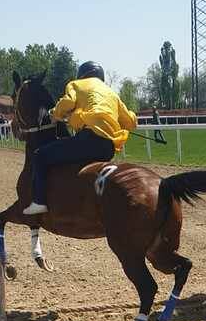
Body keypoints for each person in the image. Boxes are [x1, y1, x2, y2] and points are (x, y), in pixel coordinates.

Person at [22, 61, 137, 215]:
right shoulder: (111, 92)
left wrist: (54, 113)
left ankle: (39, 202)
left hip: (88, 140)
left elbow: (68, 102)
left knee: (40, 155)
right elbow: (130, 122)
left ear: (81, 75)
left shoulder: (76, 84)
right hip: (108, 148)